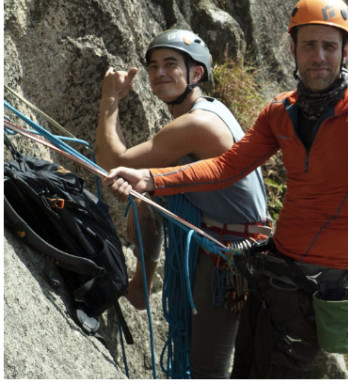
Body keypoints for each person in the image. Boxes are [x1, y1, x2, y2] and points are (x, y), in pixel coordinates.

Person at [105, 0, 348, 378]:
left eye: (328, 46)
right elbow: (228, 166)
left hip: (321, 285)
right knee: (246, 370)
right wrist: (152, 179)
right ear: (293, 49)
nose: (318, 56)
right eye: (309, 45)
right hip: (275, 271)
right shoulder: (280, 112)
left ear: (346, 50)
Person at [95, 28, 269, 378]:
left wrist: (110, 100)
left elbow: (112, 162)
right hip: (228, 242)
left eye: (170, 64)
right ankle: (142, 283)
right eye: (153, 65)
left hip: (229, 257)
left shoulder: (197, 124)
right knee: (148, 190)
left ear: (196, 73)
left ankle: (141, 285)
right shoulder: (211, 110)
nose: (159, 73)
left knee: (207, 368)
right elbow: (133, 167)